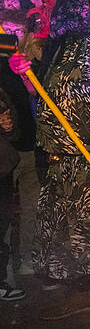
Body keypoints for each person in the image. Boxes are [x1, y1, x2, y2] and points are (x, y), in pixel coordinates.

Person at [10, 0, 90, 329]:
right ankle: (82, 292)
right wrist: (26, 75)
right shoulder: (59, 49)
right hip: (64, 161)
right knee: (72, 234)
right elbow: (50, 102)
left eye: (53, 10)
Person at [0, 9, 41, 276]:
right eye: (6, 30)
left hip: (29, 146)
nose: (12, 36)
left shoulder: (30, 63)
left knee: (31, 207)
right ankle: (4, 269)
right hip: (4, 150)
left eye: (18, 31)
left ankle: (27, 257)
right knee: (3, 212)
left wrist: (27, 76)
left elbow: (38, 99)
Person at [0, 86, 25, 300]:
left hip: (3, 170)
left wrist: (7, 129)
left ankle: (2, 283)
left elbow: (15, 133)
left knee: (3, 226)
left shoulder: (2, 94)